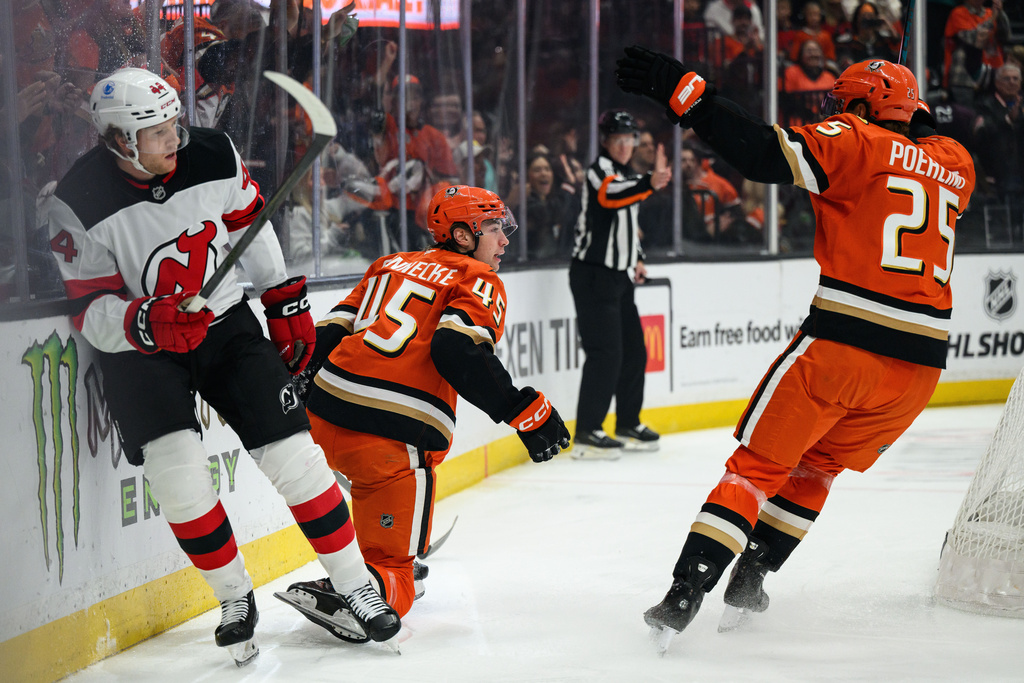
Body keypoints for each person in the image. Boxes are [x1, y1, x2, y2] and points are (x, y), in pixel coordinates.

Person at [616, 49, 975, 646]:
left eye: (846, 102)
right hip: (917, 374)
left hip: (844, 347)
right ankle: (751, 580)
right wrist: (911, 110)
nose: (836, 111)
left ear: (863, 107)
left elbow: (758, 151)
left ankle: (685, 593)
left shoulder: (855, 139)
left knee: (753, 473)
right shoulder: (954, 161)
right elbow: (928, 141)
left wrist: (683, 90)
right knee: (820, 467)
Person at [44, 68, 400, 664]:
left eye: (174, 123)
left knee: (297, 457)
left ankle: (355, 584)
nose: (174, 139)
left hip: (225, 323)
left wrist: (282, 297)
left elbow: (250, 227)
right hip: (140, 351)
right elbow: (90, 310)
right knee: (178, 479)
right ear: (118, 142)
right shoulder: (77, 201)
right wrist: (145, 319)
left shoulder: (212, 152)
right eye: (156, 133)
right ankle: (235, 598)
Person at [277, 185, 571, 622]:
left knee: (370, 511)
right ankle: (370, 589)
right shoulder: (478, 278)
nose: (505, 240)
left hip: (323, 415)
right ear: (463, 236)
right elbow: (456, 350)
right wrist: (526, 414)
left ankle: (361, 570)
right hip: (391, 437)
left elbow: (333, 330)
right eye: (494, 228)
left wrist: (291, 383)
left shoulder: (388, 264)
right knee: (397, 572)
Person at [569, 109, 670, 460]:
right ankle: (587, 431)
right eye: (619, 140)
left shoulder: (626, 175)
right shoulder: (600, 171)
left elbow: (628, 222)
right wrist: (649, 183)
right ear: (605, 141)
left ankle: (627, 422)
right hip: (593, 274)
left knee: (634, 351)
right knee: (605, 353)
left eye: (630, 140)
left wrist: (637, 256)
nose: (626, 146)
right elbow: (609, 197)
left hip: (620, 276)